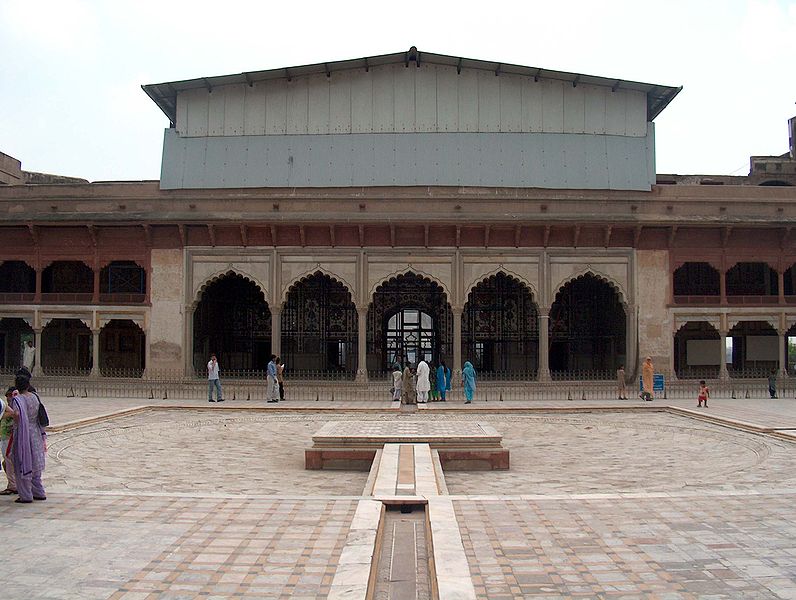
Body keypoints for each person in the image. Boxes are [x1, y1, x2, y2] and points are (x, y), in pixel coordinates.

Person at [9, 369, 47, 503]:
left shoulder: (18, 400)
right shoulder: (35, 397)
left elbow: (18, 416)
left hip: (23, 434)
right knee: (35, 463)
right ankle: (38, 491)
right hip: (35, 432)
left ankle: (25, 495)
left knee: (22, 462)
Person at [1, 387, 18, 495]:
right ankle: (13, 484)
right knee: (6, 462)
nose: (8, 398)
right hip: (4, 437)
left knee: (9, 461)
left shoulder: (15, 408)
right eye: (7, 396)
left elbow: (14, 414)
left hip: (9, 438)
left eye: (10, 396)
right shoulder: (7, 407)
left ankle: (13, 485)